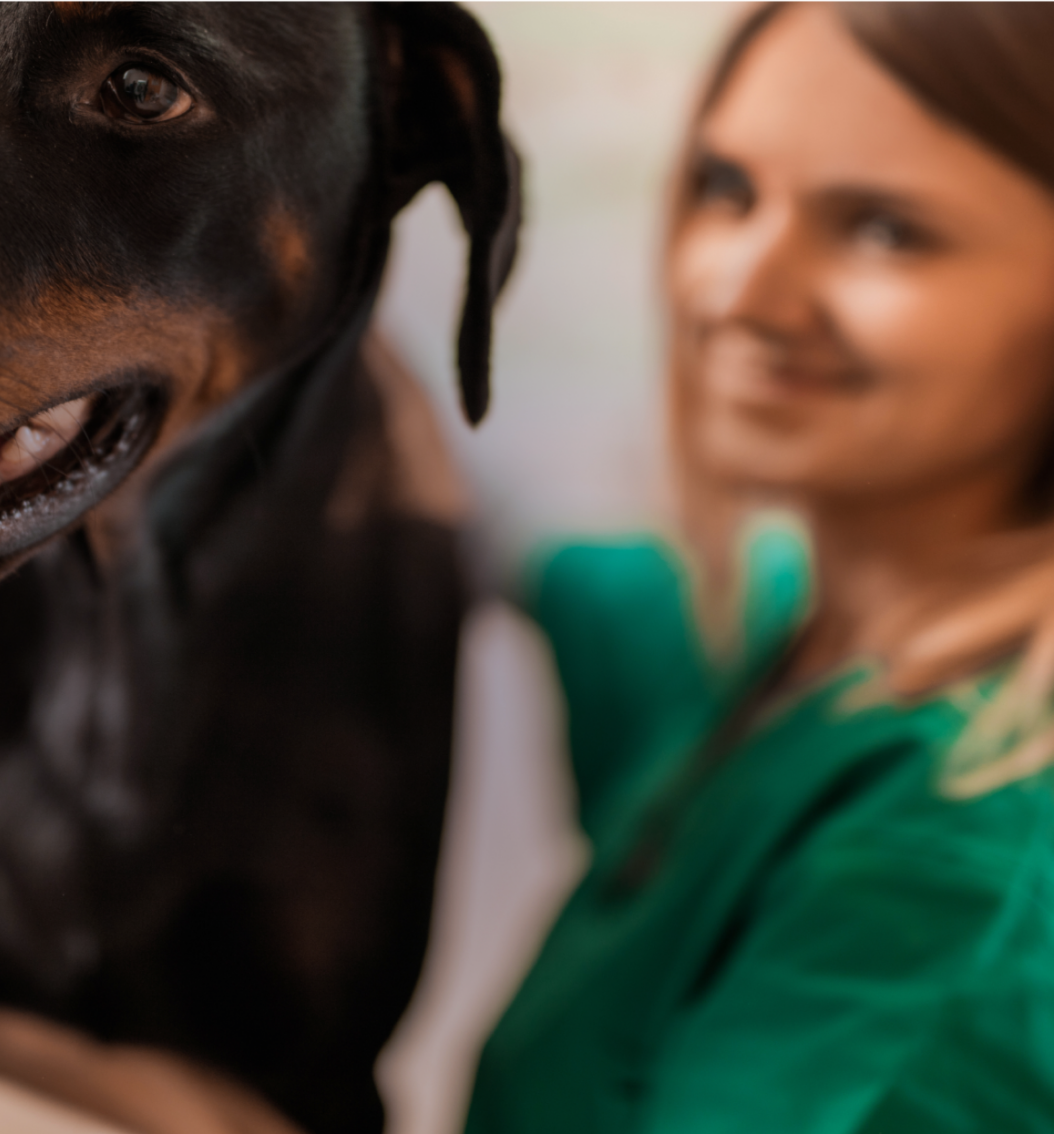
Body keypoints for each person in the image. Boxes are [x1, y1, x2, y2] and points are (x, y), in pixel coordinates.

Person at [464, 1, 1054, 1131]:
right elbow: (561, 565)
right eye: (727, 189)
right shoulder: (793, 633)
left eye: (884, 230)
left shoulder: (954, 875)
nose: (734, 290)